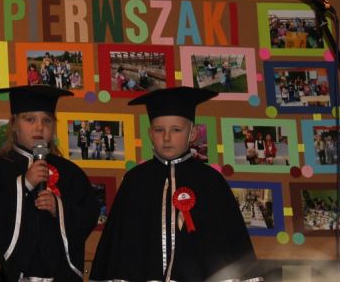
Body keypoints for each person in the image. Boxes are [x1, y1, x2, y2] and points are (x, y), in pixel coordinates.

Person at [90, 87, 259, 282]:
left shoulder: (211, 181)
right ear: (150, 133)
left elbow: (230, 241)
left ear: (192, 133)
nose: (167, 137)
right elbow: (118, 243)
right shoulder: (135, 181)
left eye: (176, 130)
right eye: (159, 130)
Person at [0, 84, 99, 281]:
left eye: (47, 120)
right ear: (14, 124)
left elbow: (88, 214)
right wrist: (24, 184)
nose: (39, 127)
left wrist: (59, 208)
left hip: (56, 274)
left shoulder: (71, 173)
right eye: (30, 119)